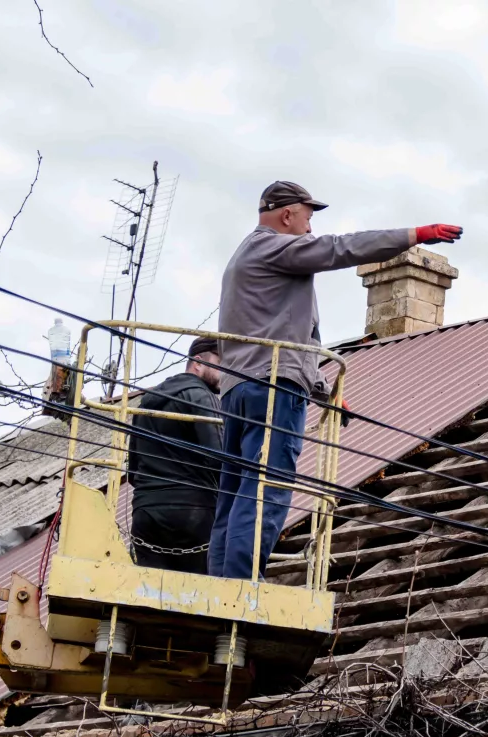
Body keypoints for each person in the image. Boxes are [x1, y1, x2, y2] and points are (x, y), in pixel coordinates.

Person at [209, 180, 463, 580]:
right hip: (274, 388)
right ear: (287, 214)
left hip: (239, 389)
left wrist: (324, 391)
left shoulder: (248, 257)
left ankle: (221, 582)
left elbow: (295, 338)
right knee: (268, 488)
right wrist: (414, 236)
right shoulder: (273, 247)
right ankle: (240, 587)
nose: (310, 229)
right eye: (308, 218)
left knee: (237, 490)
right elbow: (340, 248)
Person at [126, 336, 224, 573]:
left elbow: (132, 471)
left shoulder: (145, 402)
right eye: (222, 363)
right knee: (197, 600)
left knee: (151, 599)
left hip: (146, 514)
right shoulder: (202, 396)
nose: (226, 372)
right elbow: (220, 461)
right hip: (193, 515)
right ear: (198, 362)